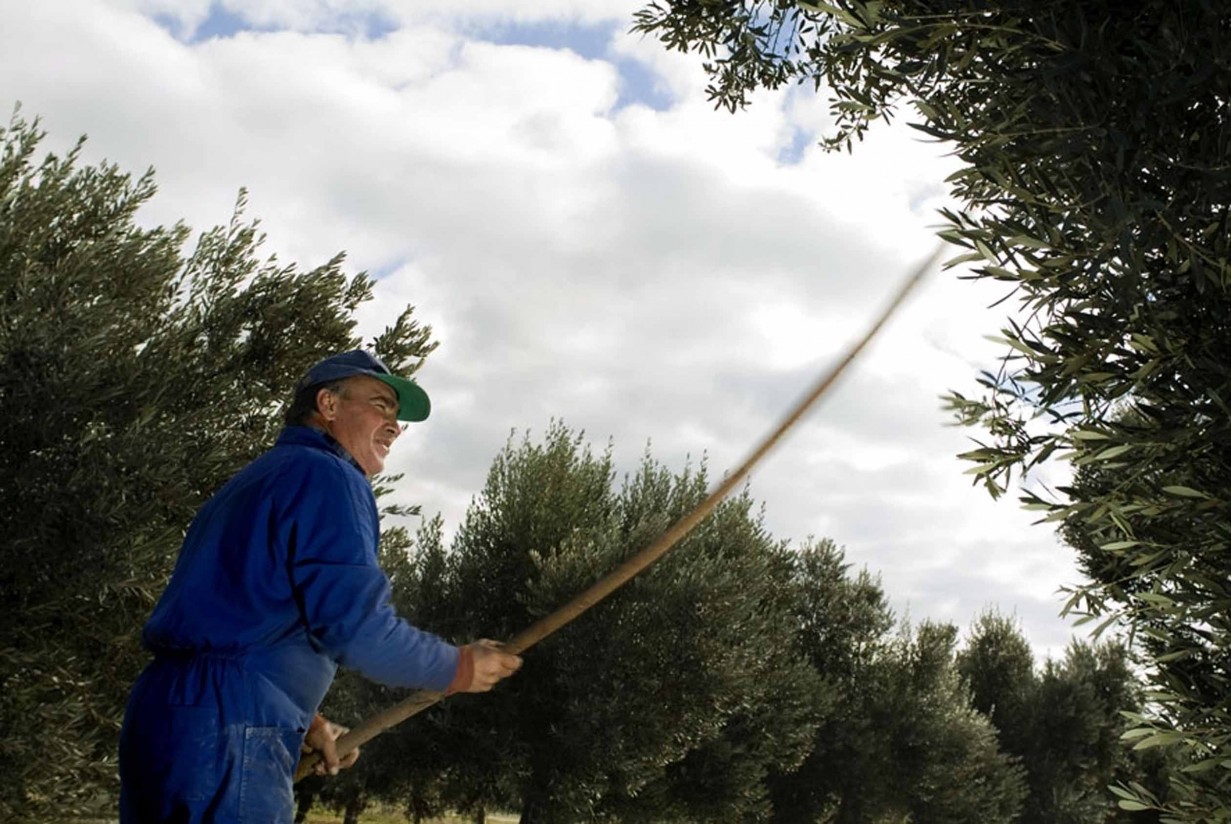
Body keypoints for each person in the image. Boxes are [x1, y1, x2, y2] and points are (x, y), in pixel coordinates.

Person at [118, 350, 522, 823]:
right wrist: (456, 667)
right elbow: (355, 628)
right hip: (232, 722)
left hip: (170, 713)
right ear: (328, 405)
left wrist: (304, 720)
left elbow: (242, 615)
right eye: (381, 405)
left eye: (396, 415)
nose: (395, 426)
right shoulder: (329, 477)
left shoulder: (258, 479)